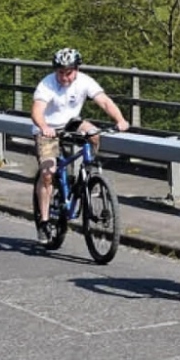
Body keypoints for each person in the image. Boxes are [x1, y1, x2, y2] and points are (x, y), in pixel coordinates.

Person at [31, 47, 130, 243]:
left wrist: (120, 119)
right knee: (48, 173)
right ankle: (43, 222)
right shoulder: (47, 84)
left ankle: (89, 171)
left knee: (93, 134)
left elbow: (104, 102)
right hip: (48, 128)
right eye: (61, 72)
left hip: (71, 122)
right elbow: (37, 111)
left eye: (69, 72)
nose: (65, 77)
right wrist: (43, 126)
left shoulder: (84, 81)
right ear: (55, 71)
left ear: (76, 69)